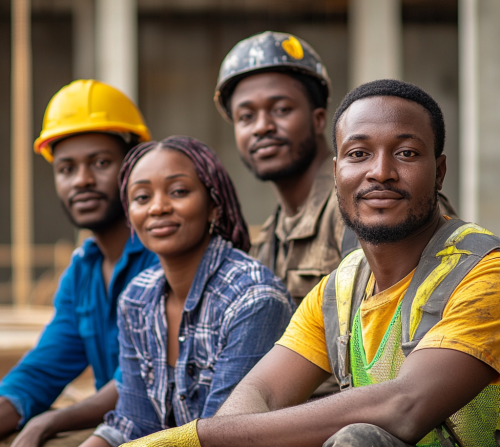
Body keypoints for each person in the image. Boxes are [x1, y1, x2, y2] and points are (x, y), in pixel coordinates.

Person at [121, 79, 500, 447]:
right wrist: (227, 434)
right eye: (358, 154)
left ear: (440, 172)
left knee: (356, 438)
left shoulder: (484, 271)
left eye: (406, 153)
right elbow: (260, 393)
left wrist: (196, 436)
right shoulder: (339, 290)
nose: (381, 171)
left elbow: (405, 405)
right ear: (336, 172)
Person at [79, 136, 294, 447]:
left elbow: (219, 434)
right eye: (141, 197)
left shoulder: (254, 299)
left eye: (178, 191)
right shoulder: (136, 298)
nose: (158, 207)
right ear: (130, 216)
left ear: (214, 207)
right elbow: (133, 422)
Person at [214, 31, 457, 306]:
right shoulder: (270, 238)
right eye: (246, 117)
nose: (262, 127)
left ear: (318, 119)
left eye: (281, 110)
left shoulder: (375, 201)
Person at [0, 80, 158, 447]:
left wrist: (48, 422)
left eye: (101, 163)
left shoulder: (164, 257)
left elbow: (139, 379)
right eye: (66, 168)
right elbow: (41, 370)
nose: (82, 180)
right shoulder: (83, 272)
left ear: (134, 163)